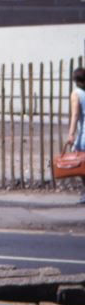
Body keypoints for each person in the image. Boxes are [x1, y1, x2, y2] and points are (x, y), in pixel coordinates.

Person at [66, 67, 85, 204]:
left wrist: (71, 134)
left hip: (84, 134)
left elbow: (75, 115)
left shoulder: (76, 94)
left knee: (80, 164)